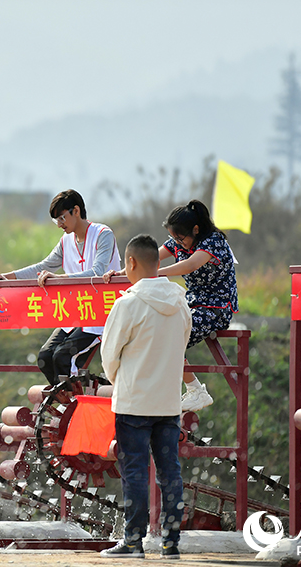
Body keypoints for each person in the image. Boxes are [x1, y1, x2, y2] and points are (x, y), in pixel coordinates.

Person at [99, 234, 191, 559]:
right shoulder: (180, 301)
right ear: (157, 263)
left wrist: (121, 381)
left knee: (134, 472)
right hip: (168, 403)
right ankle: (171, 544)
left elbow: (109, 356)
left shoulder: (127, 304)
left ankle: (133, 542)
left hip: (134, 403)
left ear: (132, 263)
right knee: (171, 472)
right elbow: (183, 343)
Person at [103, 199, 238, 412]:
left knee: (170, 334)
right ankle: (167, 390)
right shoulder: (179, 241)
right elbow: (151, 258)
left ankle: (195, 390)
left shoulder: (214, 242)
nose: (177, 242)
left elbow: (190, 264)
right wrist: (125, 271)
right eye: (173, 237)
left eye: (180, 237)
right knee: (157, 330)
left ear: (195, 229)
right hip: (191, 303)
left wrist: (151, 273)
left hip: (216, 308)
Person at [0, 190, 120, 386]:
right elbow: (43, 267)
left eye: (61, 218)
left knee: (62, 357)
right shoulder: (66, 241)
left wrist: (60, 278)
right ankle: (65, 404)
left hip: (101, 314)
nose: (59, 224)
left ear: (76, 211)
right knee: (44, 357)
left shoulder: (103, 235)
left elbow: (97, 272)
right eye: (56, 220)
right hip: (76, 313)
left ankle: (77, 404)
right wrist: (5, 277)